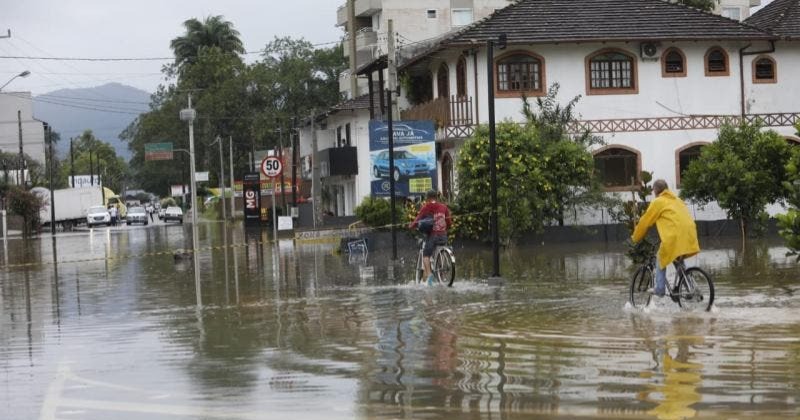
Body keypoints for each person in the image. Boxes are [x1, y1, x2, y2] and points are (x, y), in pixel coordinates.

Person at [631, 179, 700, 297]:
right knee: (678, 259)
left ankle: (660, 289)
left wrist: (635, 238)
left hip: (674, 236)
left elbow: (645, 222)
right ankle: (690, 286)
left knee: (660, 257)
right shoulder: (678, 200)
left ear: (656, 191)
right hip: (689, 233)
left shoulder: (658, 202)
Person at [409, 189, 452, 286]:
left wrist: (411, 226)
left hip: (433, 235)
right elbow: (449, 222)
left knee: (426, 255)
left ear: (428, 198)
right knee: (441, 248)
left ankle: (429, 275)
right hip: (443, 235)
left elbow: (418, 218)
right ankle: (441, 272)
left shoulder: (427, 206)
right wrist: (445, 228)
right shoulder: (444, 207)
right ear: (436, 197)